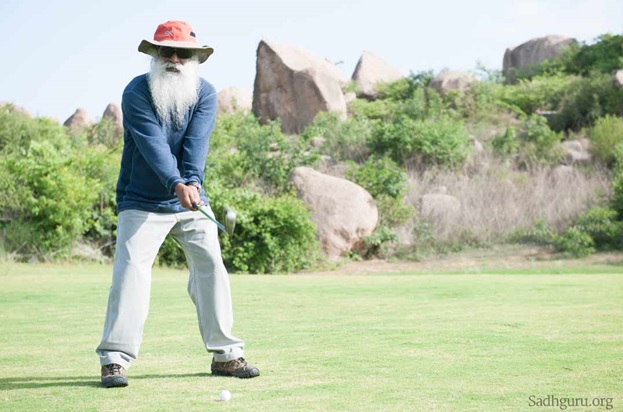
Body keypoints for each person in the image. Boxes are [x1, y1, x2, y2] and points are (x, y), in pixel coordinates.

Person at [96, 20, 259, 388]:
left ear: (193, 58)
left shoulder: (205, 93)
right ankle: (114, 360)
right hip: (140, 199)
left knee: (211, 267)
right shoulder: (136, 91)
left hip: (190, 199)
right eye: (166, 51)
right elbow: (152, 142)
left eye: (182, 52)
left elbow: (196, 144)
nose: (173, 58)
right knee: (130, 274)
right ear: (154, 54)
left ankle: (226, 356)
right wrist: (176, 183)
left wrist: (193, 184)